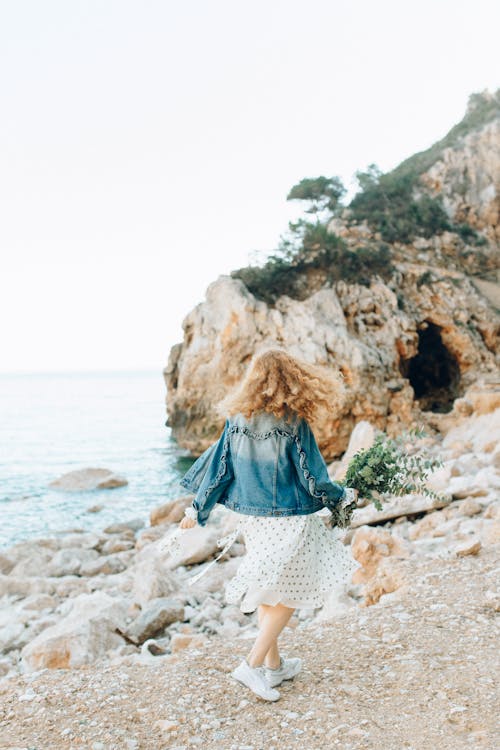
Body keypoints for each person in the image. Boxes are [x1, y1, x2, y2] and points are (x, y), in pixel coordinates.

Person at [178, 347, 360, 702]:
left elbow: (218, 470)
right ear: (292, 379)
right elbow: (313, 477)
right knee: (292, 590)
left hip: (254, 519)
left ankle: (275, 668)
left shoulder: (236, 420)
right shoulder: (293, 422)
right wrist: (341, 496)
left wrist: (196, 510)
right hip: (289, 518)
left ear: (253, 379)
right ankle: (251, 664)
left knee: (269, 587)